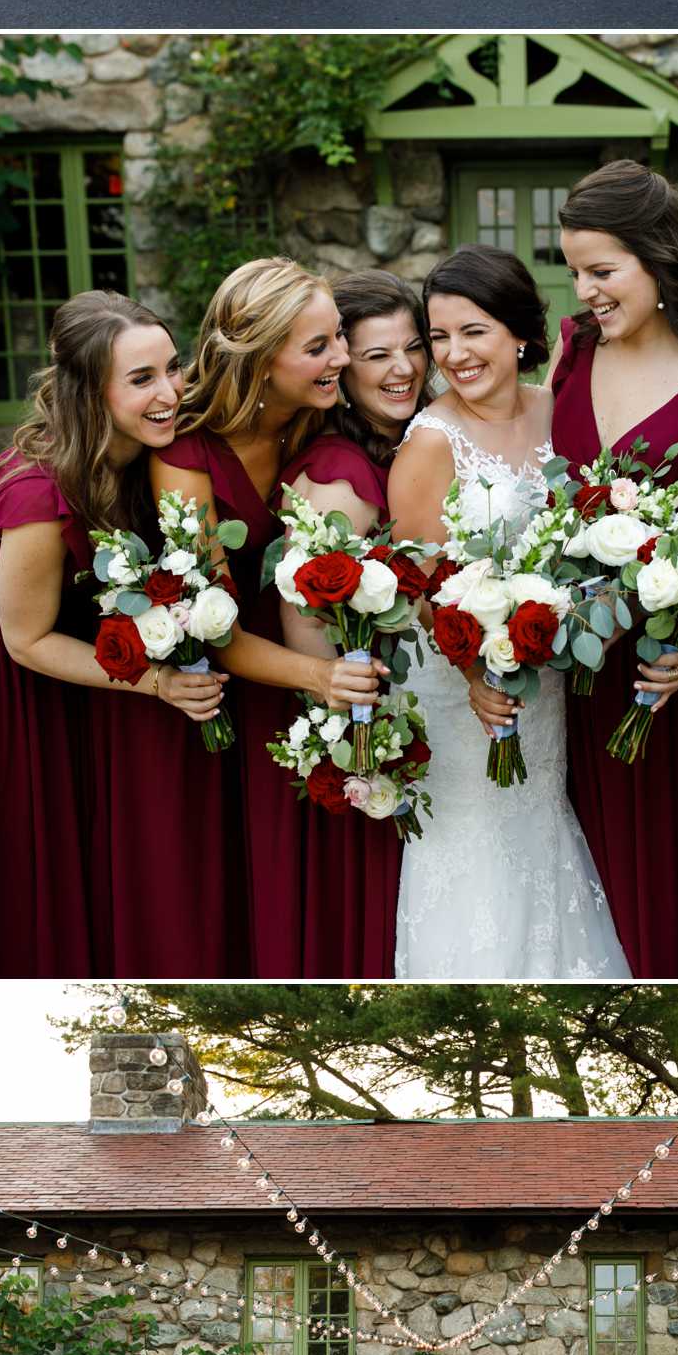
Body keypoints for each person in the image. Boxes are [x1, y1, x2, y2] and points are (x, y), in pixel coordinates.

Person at [0, 291, 220, 980]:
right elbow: (27, 640)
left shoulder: (147, 451)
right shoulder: (39, 492)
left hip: (58, 637)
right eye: (141, 379)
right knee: (11, 836)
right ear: (88, 393)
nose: (169, 391)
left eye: (172, 367)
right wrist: (158, 681)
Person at [386, 251, 629, 980]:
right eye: (439, 338)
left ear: (519, 333)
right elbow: (421, 584)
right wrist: (474, 674)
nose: (454, 355)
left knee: (536, 829)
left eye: (474, 332)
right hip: (464, 690)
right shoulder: (431, 444)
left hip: (543, 679)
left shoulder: (562, 410)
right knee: (474, 844)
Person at [161, 261, 377, 975]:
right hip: (232, 678)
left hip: (298, 664)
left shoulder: (323, 424)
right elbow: (210, 623)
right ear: (257, 357)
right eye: (318, 348)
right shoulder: (186, 453)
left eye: (339, 338)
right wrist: (322, 675)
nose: (341, 358)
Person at [551, 162, 678, 972]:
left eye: (602, 271)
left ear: (656, 262)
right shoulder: (572, 350)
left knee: (662, 870)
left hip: (667, 670)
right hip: (567, 664)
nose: (586, 291)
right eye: (574, 273)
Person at [283, 275, 433, 977]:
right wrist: (359, 745)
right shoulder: (338, 476)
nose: (402, 369)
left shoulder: (417, 443)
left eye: (413, 347)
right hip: (376, 720)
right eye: (377, 356)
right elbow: (304, 623)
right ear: (344, 366)